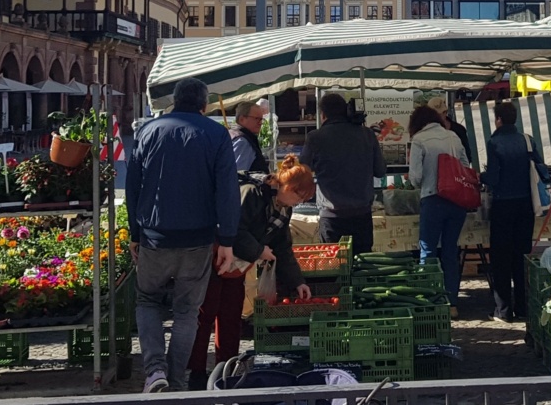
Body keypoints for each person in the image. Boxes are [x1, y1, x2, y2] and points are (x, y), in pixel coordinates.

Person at [126, 77, 241, 393]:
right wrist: (228, 241)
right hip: (197, 239)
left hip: (154, 235)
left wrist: (135, 232)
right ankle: (176, 383)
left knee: (148, 301)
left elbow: (132, 187)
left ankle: (154, 371)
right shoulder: (217, 134)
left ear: (174, 102)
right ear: (204, 106)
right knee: (187, 312)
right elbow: (227, 192)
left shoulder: (147, 131)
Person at [186, 156, 315, 390]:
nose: (298, 202)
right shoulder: (252, 193)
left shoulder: (283, 209)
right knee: (205, 314)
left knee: (231, 315)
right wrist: (258, 250)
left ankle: (227, 368)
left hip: (237, 266)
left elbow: (283, 247)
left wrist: (298, 282)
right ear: (286, 186)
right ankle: (195, 372)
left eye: (303, 199)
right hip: (214, 258)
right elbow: (232, 227)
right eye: (298, 195)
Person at [300, 93, 387, 255]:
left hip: (332, 217)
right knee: (362, 266)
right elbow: (380, 171)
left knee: (335, 267)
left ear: (323, 115)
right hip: (362, 214)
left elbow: (302, 173)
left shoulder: (315, 138)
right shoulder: (367, 135)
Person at [480, 103, 544, 323]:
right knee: (521, 256)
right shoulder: (527, 140)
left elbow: (494, 177)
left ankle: (503, 310)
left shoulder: (495, 142)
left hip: (503, 206)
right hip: (526, 204)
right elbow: (540, 167)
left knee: (501, 258)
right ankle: (524, 307)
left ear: (498, 119)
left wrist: (481, 177)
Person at [407, 105, 469, 319]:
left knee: (428, 251)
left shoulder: (419, 140)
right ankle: (452, 303)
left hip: (433, 200)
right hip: (457, 202)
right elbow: (465, 166)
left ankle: (430, 301)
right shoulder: (453, 136)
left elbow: (415, 178)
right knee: (450, 251)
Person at [426, 96, 472, 164]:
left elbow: (467, 156)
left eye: (438, 114)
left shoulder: (459, 130)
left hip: (455, 171)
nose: (434, 118)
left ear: (445, 112)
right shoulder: (424, 132)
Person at [229, 101, 268, 173]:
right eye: (257, 118)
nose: (260, 123)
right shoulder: (242, 141)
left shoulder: (233, 135)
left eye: (261, 119)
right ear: (242, 119)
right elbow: (237, 174)